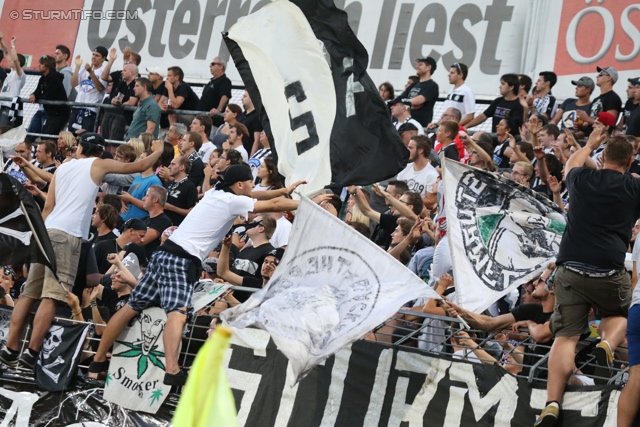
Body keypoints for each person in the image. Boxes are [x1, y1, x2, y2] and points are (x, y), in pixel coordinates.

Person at [88, 164, 314, 386]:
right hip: (181, 259)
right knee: (177, 312)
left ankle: (97, 361)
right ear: (239, 184)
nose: (253, 186)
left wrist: (284, 191)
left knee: (131, 307)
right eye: (249, 182)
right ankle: (172, 370)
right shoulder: (233, 201)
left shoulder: (216, 192)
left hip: (163, 254)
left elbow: (258, 195)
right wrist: (308, 205)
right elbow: (271, 204)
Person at [0, 133, 166, 369]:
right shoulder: (97, 164)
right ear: (99, 151)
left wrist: (35, 238)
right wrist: (158, 150)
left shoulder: (64, 167)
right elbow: (138, 166)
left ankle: (11, 348)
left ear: (79, 149)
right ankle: (31, 353)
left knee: (29, 293)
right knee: (52, 295)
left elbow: (48, 207)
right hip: (67, 237)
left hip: (46, 231)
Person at [536, 130, 640, 426]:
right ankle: (607, 343)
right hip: (609, 269)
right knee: (619, 313)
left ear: (602, 158)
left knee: (565, 337)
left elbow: (571, 165)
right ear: (631, 161)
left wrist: (591, 143)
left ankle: (552, 403)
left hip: (570, 269)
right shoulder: (634, 187)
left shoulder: (581, 179)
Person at [69, 46, 109, 135]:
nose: (93, 57)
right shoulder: (84, 69)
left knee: (85, 136)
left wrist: (91, 72)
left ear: (103, 58)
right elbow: (73, 83)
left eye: (97, 55)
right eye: (93, 54)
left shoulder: (103, 71)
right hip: (77, 107)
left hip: (90, 110)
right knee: (71, 135)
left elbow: (100, 88)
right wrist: (77, 67)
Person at [29, 55, 69, 135]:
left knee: (48, 136)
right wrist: (33, 94)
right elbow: (38, 91)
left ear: (48, 66)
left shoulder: (53, 77)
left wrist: (36, 98)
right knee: (44, 135)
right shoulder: (43, 78)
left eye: (41, 64)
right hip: (51, 112)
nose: (38, 65)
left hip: (59, 112)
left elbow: (49, 95)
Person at [395, 57, 439, 128]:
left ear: (428, 68)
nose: (417, 67)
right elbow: (400, 99)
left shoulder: (432, 86)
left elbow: (417, 102)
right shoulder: (414, 84)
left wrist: (405, 104)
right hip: (404, 125)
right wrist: (408, 104)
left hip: (419, 127)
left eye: (420, 65)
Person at [163, 155, 198, 226]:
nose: (169, 167)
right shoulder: (168, 183)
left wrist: (171, 208)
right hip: (164, 224)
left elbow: (193, 212)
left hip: (177, 226)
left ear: (182, 167)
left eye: (173, 164)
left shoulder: (190, 186)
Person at [139, 186, 173, 258]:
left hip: (149, 263)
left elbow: (141, 241)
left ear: (155, 199)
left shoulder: (163, 221)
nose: (143, 199)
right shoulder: (145, 219)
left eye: (147, 196)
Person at [0, 33, 25, 128]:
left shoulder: (20, 74)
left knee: (3, 131)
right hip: (1, 105)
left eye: (13, 60)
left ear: (18, 62)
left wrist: (12, 44)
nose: (9, 60)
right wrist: (1, 40)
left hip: (8, 108)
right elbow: (6, 53)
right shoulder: (11, 72)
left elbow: (14, 58)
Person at [197, 57, 231, 121]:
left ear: (220, 66)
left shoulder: (225, 81)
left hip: (212, 121)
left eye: (213, 64)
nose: (210, 66)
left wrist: (218, 109)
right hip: (201, 119)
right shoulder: (211, 82)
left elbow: (225, 96)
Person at [443, 62, 475, 126]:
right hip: (446, 129)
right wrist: (436, 124)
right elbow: (445, 115)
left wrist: (454, 126)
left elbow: (470, 116)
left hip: (455, 131)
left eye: (452, 73)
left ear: (460, 75)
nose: (448, 75)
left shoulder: (467, 92)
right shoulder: (450, 92)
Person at [239, 91, 264, 155]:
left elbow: (257, 140)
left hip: (247, 152)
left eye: (245, 96)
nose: (242, 99)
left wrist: (251, 158)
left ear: (252, 98)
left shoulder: (256, 116)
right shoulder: (241, 116)